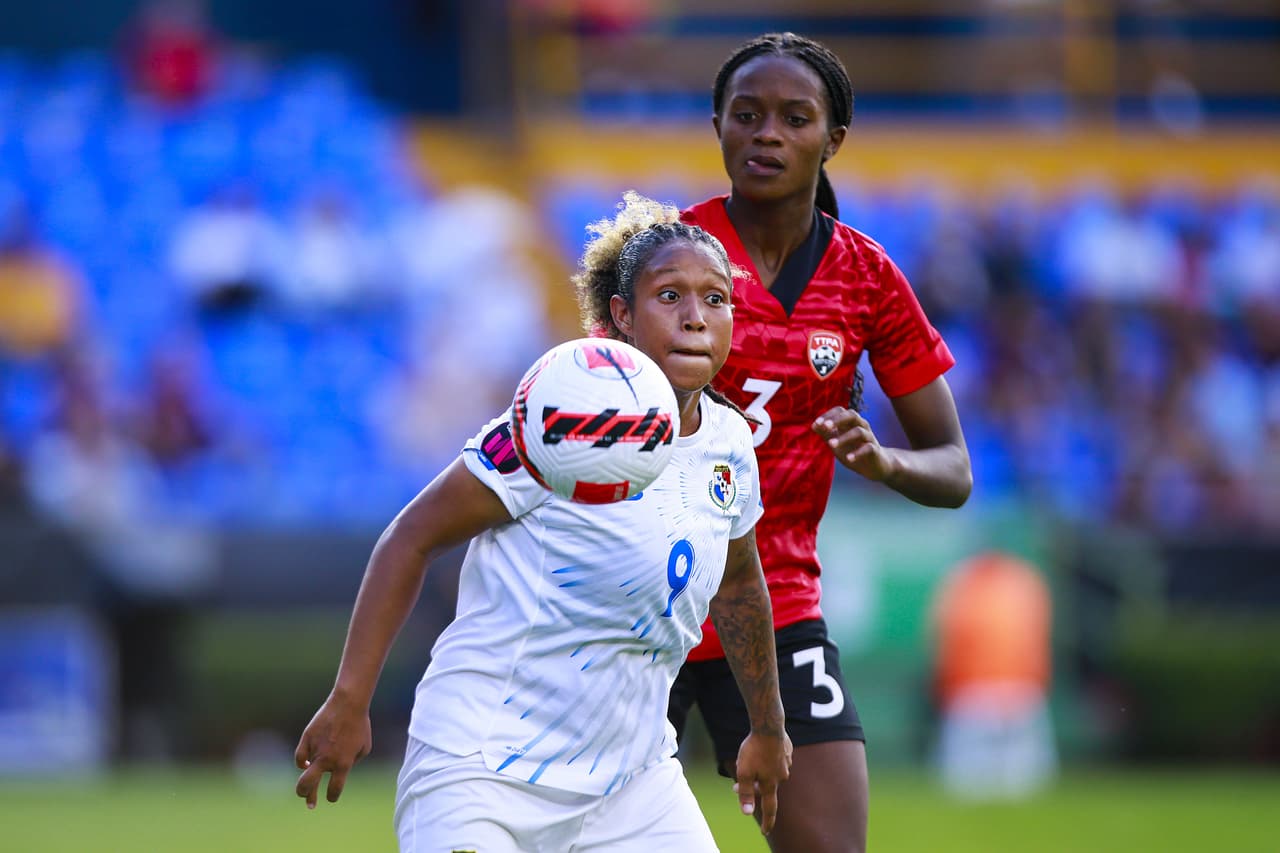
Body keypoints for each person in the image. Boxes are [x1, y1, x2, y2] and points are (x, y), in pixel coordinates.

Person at [295, 192, 792, 851]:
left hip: (631, 782)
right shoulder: (564, 417)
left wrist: (766, 726)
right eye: (670, 296)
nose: (697, 318)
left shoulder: (729, 442)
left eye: (715, 298)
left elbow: (737, 585)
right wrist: (350, 697)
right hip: (481, 768)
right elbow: (412, 537)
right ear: (621, 314)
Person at [670, 33, 972, 853]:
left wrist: (884, 460)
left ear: (832, 138)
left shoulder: (867, 278)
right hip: (645, 596)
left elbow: (953, 470)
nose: (766, 133)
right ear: (718, 127)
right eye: (747, 115)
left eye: (794, 118)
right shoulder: (665, 258)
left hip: (778, 609)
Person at [929, 550, 1056, 800]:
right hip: (1015, 689)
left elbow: (947, 642)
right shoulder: (1024, 581)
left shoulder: (961, 584)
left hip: (976, 691)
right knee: (1020, 782)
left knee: (967, 782)